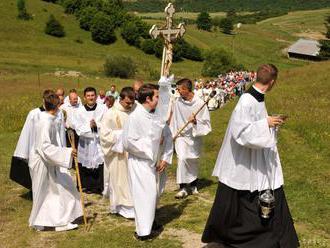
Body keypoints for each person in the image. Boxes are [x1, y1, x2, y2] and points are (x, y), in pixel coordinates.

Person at [202, 64, 299, 248]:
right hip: (242, 159)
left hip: (255, 156)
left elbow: (252, 124)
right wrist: (266, 123)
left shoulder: (258, 99)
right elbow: (241, 133)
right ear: (272, 82)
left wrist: (269, 123)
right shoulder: (246, 101)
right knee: (243, 194)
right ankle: (242, 237)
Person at [29, 92, 82, 232]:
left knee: (59, 189)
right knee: (48, 193)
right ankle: (53, 222)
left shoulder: (49, 118)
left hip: (49, 160)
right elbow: (44, 147)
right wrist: (67, 152)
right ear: (57, 105)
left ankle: (56, 219)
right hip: (43, 162)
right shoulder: (45, 122)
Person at [123, 84, 168, 240]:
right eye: (156, 97)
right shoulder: (135, 117)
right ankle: (143, 232)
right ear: (148, 99)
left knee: (152, 195)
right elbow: (128, 143)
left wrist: (163, 155)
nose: (159, 99)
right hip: (140, 163)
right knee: (144, 196)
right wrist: (153, 142)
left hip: (151, 163)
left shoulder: (152, 115)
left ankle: (149, 223)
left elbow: (163, 135)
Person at [169, 78, 211, 199]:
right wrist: (172, 133)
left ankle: (193, 184)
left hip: (194, 137)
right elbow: (174, 119)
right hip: (181, 136)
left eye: (180, 89)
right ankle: (182, 187)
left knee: (192, 160)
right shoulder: (177, 102)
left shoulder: (200, 103)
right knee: (182, 158)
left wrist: (195, 122)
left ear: (187, 89)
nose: (178, 91)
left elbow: (207, 123)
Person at [100, 87, 136, 218]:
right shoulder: (111, 114)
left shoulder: (135, 111)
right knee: (119, 180)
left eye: (132, 103)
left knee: (131, 179)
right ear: (121, 99)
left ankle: (132, 206)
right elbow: (104, 135)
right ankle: (120, 207)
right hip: (117, 153)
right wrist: (120, 135)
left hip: (132, 152)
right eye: (127, 103)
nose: (130, 105)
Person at [73, 87, 107, 194]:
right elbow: (78, 129)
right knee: (85, 163)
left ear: (96, 96)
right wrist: (90, 127)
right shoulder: (79, 111)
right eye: (88, 96)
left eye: (92, 95)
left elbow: (106, 124)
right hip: (85, 142)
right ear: (84, 98)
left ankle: (99, 186)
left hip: (99, 141)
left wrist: (96, 126)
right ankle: (86, 186)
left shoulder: (103, 108)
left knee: (100, 162)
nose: (90, 98)